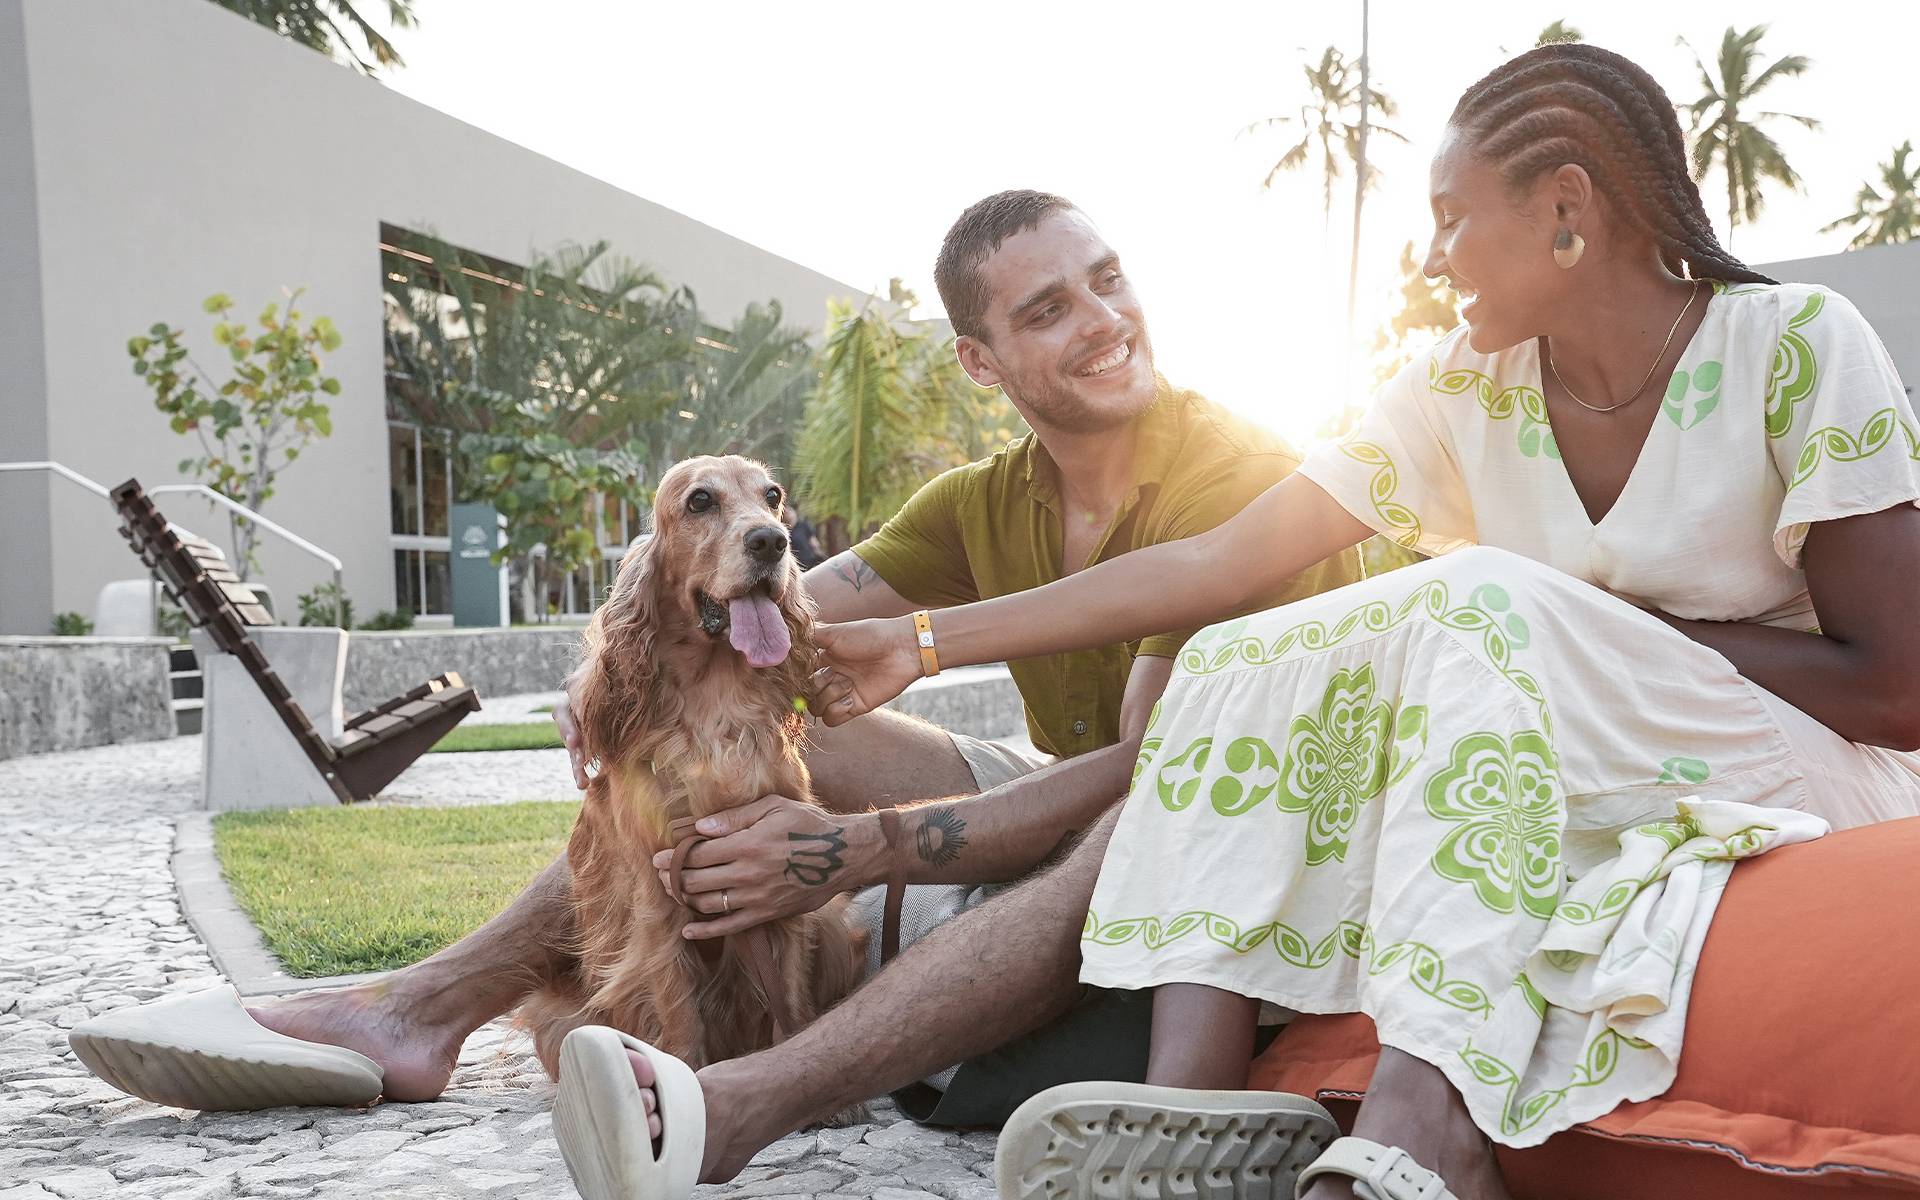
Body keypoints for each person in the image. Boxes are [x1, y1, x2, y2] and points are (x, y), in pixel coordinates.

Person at [802, 43, 1920, 1200]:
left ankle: (1421, 1120)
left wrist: (1595, 633)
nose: (1432, 261)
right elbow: (1216, 563)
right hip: (1582, 757)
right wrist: (924, 643)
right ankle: (1198, 1103)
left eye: (1452, 220)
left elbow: (1899, 691)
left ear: (1566, 209)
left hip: (1808, 766)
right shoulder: (1459, 385)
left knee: (1482, 602)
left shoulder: (1793, 342)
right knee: (1237, 650)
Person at [69, 191, 1359, 1124]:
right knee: (713, 706)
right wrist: (624, 674)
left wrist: (867, 845)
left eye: (1109, 279)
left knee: (1093, 807)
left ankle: (541, 1031)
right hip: (1063, 777)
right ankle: (426, 1007)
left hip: (1208, 812)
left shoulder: (1230, 470)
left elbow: (1163, 776)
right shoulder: (987, 496)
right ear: (981, 359)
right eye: (1048, 308)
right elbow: (767, 618)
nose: (1102, 319)